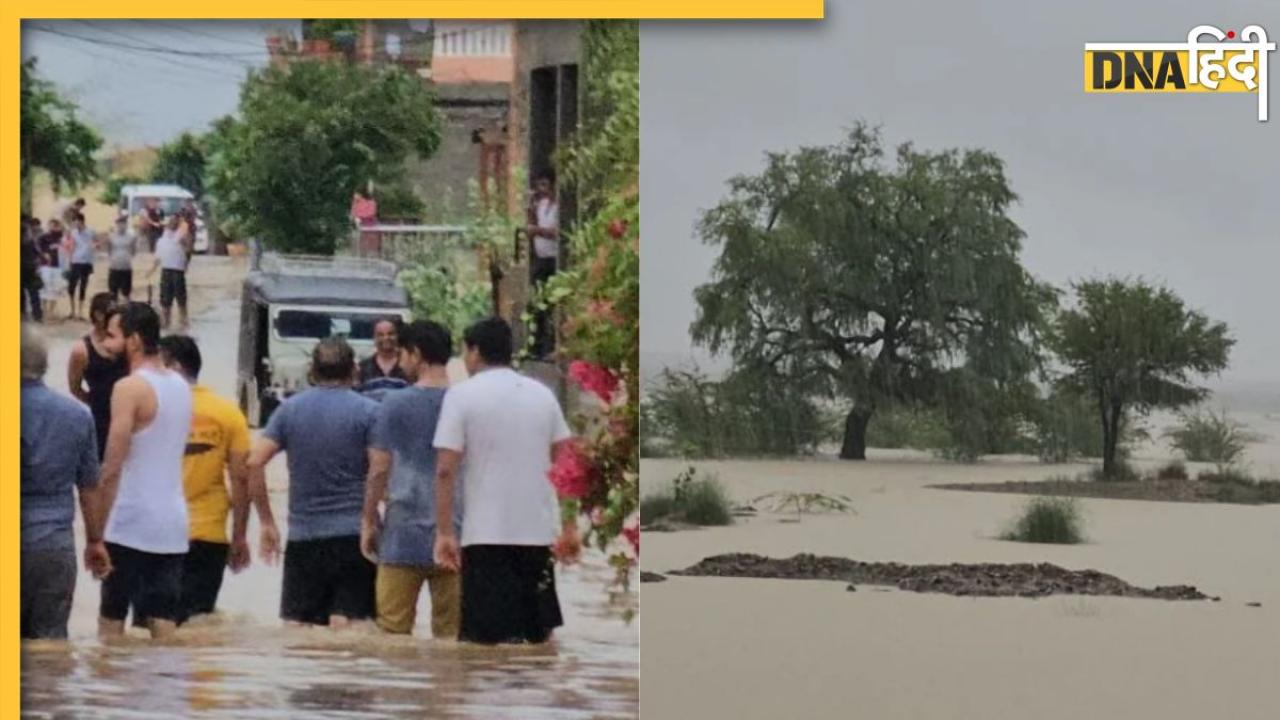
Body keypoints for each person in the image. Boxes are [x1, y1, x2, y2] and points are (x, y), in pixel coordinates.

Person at [432, 317, 580, 645]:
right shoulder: (542, 396)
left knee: (484, 648)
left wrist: (444, 532)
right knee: (538, 641)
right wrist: (569, 527)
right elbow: (568, 467)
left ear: (474, 352)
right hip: (538, 538)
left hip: (484, 539)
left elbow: (445, 470)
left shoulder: (461, 397)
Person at [246, 338, 379, 628]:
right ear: (354, 370)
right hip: (354, 536)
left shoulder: (289, 411)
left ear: (312, 371)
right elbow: (379, 470)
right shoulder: (369, 412)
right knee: (351, 630)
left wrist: (267, 522)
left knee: (300, 634)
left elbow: (254, 462)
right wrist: (370, 520)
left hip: (304, 537)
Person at [96, 302, 193, 640]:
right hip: (172, 524)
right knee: (163, 626)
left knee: (111, 626)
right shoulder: (181, 386)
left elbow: (111, 467)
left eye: (112, 335)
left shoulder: (129, 388)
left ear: (134, 340)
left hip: (130, 522)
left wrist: (95, 533)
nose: (106, 344)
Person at [361, 321, 461, 638]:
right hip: (457, 533)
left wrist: (368, 519)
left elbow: (379, 468)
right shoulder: (464, 402)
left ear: (415, 354)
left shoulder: (394, 404)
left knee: (392, 636)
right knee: (451, 638)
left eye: (403, 352)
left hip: (402, 532)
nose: (400, 359)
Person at [21, 324, 109, 639]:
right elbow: (89, 487)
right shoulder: (77, 415)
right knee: (49, 650)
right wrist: (95, 541)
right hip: (53, 547)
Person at [158, 336, 253, 623]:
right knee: (197, 628)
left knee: (151, 627)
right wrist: (239, 537)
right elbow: (241, 480)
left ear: (173, 367)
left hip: (157, 534)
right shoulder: (228, 412)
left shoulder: (151, 409)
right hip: (209, 536)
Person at [68, 293, 129, 462]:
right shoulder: (81, 350)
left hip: (128, 413)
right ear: (99, 315)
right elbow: (75, 388)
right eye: (114, 313)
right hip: (100, 419)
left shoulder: (126, 343)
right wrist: (96, 402)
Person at [527, 174, 560, 357]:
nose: (542, 189)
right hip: (541, 258)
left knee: (551, 302)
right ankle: (537, 344)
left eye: (545, 185)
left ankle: (551, 343)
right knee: (537, 302)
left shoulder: (558, 207)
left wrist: (538, 231)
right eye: (539, 185)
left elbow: (558, 231)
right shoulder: (542, 205)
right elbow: (532, 224)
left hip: (554, 259)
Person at [150, 216, 191, 329]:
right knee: (165, 299)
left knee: (181, 298)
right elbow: (158, 257)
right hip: (166, 270)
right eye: (170, 222)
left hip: (178, 270)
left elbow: (188, 248)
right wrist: (151, 271)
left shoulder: (182, 235)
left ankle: (183, 322)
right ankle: (166, 322)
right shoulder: (162, 239)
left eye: (175, 222)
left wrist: (186, 264)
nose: (172, 224)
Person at [357, 318, 408, 385]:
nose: (386, 338)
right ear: (374, 337)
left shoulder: (408, 365)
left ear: (397, 336)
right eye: (380, 335)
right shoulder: (363, 367)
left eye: (390, 334)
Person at [66, 213, 96, 320]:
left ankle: (80, 313)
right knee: (71, 287)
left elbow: (97, 243)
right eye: (74, 221)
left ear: (82, 221)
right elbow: (71, 246)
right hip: (75, 261)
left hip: (86, 262)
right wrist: (69, 261)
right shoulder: (73, 232)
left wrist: (94, 247)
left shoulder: (91, 232)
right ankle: (72, 311)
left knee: (83, 286)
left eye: (76, 221)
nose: (75, 223)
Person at [106, 216, 138, 302]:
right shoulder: (111, 236)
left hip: (126, 268)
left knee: (126, 293)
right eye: (119, 224)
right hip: (114, 268)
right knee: (113, 294)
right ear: (116, 225)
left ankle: (127, 313)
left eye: (123, 224)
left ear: (126, 225)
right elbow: (109, 250)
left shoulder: (132, 237)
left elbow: (134, 250)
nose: (121, 226)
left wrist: (127, 257)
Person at [21, 220, 44, 322]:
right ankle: (36, 316)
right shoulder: (30, 242)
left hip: (28, 270)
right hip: (29, 270)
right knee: (33, 294)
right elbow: (38, 254)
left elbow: (38, 254)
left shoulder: (30, 242)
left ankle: (26, 314)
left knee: (27, 294)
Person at [351, 188, 379, 256]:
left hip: (370, 225)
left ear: (361, 195)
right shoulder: (355, 202)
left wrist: (360, 217)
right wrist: (356, 218)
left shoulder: (371, 202)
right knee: (360, 244)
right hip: (359, 225)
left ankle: (372, 253)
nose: (354, 196)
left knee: (370, 243)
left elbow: (371, 213)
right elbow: (353, 213)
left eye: (356, 194)